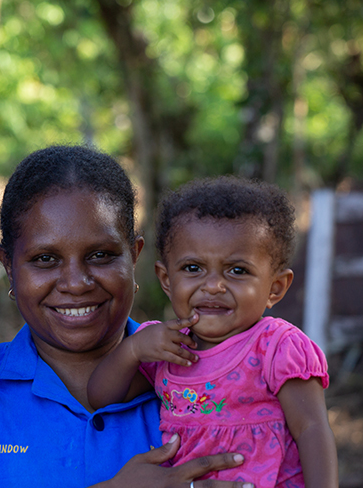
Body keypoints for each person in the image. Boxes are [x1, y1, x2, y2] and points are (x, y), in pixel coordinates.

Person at [0, 146, 253, 488]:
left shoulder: (206, 374)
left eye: (101, 255)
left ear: (134, 256)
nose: (76, 283)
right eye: (45, 259)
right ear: (9, 267)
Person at [88, 177, 338, 488]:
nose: (213, 286)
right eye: (193, 268)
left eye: (237, 270)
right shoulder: (164, 347)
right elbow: (100, 396)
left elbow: (312, 428)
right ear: (166, 280)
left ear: (276, 287)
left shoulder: (276, 346)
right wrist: (133, 350)